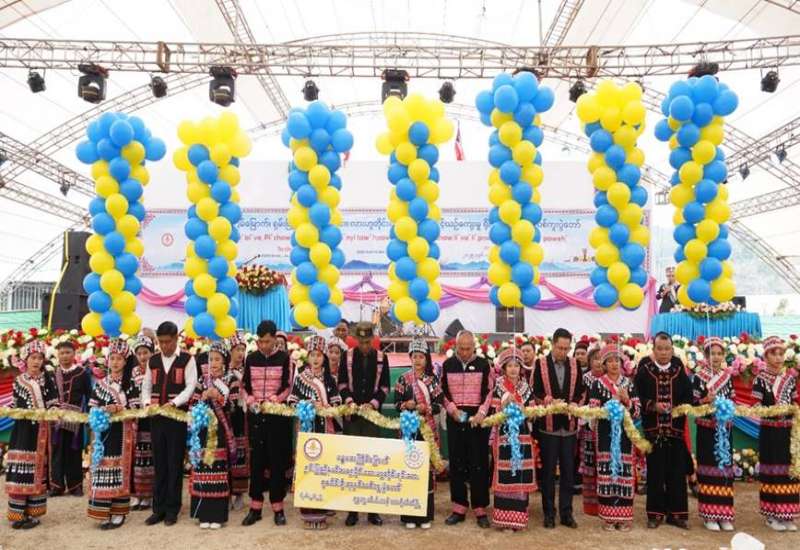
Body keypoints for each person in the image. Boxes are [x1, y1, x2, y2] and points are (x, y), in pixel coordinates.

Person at [141, 321, 198, 526]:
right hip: (157, 418)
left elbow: (190, 386)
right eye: (161, 342)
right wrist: (147, 403)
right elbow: (146, 386)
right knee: (160, 463)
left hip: (176, 418)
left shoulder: (187, 359)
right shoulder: (153, 360)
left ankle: (172, 509)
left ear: (176, 339)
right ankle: (158, 509)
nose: (164, 346)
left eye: (167, 342)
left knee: (174, 463)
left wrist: (174, 403)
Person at [634, 331, 692, 530]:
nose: (664, 352)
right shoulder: (645, 371)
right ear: (654, 349)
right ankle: (655, 515)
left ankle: (676, 515)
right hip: (654, 432)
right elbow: (637, 397)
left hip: (675, 432)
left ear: (672, 350)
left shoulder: (679, 370)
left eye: (667, 349)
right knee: (655, 474)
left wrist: (678, 408)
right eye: (660, 349)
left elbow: (688, 397)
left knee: (677, 474)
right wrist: (652, 406)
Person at [338, 321, 390, 527]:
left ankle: (372, 511)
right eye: (361, 342)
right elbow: (342, 383)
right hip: (352, 418)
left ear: (373, 340)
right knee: (352, 464)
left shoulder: (382, 357)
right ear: (356, 340)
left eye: (368, 342)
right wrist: (350, 401)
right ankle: (352, 511)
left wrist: (373, 404)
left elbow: (385, 387)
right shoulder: (347, 356)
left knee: (372, 463)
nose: (365, 346)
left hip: (372, 418)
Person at [241, 320, 292, 527]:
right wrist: (250, 400)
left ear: (275, 339)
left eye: (267, 341)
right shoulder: (251, 358)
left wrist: (274, 400)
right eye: (260, 341)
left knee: (276, 462)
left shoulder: (284, 358)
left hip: (276, 417)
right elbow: (245, 385)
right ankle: (255, 508)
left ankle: (278, 508)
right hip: (255, 417)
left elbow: (287, 386)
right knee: (257, 462)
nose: (264, 345)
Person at [533, 327, 585, 529]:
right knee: (547, 473)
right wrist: (547, 400)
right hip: (548, 426)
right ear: (553, 344)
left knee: (568, 472)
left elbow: (581, 391)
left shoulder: (575, 364)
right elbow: (535, 391)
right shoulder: (540, 364)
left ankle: (566, 513)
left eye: (566, 348)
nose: (563, 352)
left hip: (569, 426)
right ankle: (549, 513)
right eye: (560, 348)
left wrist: (576, 404)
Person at [288, 335, 342, 529]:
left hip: (325, 428)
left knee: (324, 468)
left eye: (319, 355)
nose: (316, 359)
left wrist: (326, 406)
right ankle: (309, 514)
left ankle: (323, 509)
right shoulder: (301, 378)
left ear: (324, 357)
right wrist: (307, 405)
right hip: (307, 429)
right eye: (312, 355)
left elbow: (337, 401)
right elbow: (292, 401)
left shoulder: (329, 379)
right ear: (308, 357)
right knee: (308, 468)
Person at [441, 330, 493, 529]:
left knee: (479, 463)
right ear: (456, 346)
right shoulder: (447, 365)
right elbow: (441, 391)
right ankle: (459, 507)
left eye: (468, 348)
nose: (464, 352)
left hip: (477, 422)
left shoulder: (484, 364)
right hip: (455, 420)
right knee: (457, 463)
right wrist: (452, 410)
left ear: (474, 346)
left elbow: (490, 391)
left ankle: (480, 508)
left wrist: (482, 413)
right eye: (461, 348)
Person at [87, 339, 138, 530]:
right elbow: (92, 407)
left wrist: (120, 409)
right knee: (102, 469)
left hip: (122, 432)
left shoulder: (131, 383)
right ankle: (102, 511)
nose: (115, 362)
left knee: (119, 469)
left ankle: (118, 511)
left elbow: (137, 408)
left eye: (119, 359)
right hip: (103, 433)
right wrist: (103, 410)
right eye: (112, 358)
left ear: (125, 361)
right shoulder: (101, 384)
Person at [6, 340, 58, 530]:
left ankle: (34, 513)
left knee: (37, 470)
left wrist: (53, 410)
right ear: (26, 360)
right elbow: (14, 403)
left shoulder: (48, 379)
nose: (36, 361)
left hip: (41, 432)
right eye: (33, 358)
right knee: (21, 469)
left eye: (39, 358)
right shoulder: (19, 381)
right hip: (22, 432)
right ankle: (17, 514)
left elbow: (54, 401)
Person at [589, 344, 640, 532]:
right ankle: (609, 517)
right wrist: (612, 404)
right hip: (605, 435)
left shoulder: (629, 384)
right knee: (607, 472)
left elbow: (637, 412)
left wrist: (627, 400)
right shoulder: (597, 384)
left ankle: (624, 516)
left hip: (625, 435)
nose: (614, 364)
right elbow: (593, 411)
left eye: (617, 360)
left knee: (624, 471)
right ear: (604, 364)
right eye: (609, 361)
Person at [394, 337, 442, 529]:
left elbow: (439, 405)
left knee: (425, 470)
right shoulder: (403, 379)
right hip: (408, 429)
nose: (417, 360)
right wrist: (406, 405)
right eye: (414, 356)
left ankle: (425, 516)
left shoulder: (432, 380)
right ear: (410, 358)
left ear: (427, 358)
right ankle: (408, 516)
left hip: (426, 429)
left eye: (421, 357)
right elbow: (396, 404)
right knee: (409, 469)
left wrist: (426, 408)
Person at [753, 336, 799, 532]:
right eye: (774, 354)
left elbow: (795, 402)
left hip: (788, 431)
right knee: (772, 470)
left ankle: (787, 514)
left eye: (781, 353)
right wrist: (772, 411)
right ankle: (771, 515)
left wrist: (793, 411)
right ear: (766, 356)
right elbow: (755, 406)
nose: (778, 357)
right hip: (770, 432)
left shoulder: (790, 379)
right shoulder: (760, 379)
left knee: (788, 471)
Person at [489, 348, 537, 531]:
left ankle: (519, 519)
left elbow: (533, 413)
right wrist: (503, 404)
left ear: (521, 368)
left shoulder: (526, 388)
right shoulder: (498, 387)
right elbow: (493, 413)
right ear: (504, 368)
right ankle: (504, 519)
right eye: (510, 366)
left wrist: (524, 410)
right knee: (505, 474)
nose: (513, 369)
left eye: (516, 366)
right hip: (504, 437)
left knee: (520, 475)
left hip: (523, 437)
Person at [692, 336, 736, 532]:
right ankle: (709, 515)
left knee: (725, 470)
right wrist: (705, 400)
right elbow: (692, 404)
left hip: (725, 430)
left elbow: (733, 401)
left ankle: (724, 514)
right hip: (707, 430)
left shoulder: (727, 377)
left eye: (719, 354)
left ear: (723, 356)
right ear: (705, 356)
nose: (716, 357)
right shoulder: (699, 377)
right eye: (712, 354)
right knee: (709, 470)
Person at [190, 342, 234, 530]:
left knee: (217, 470)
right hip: (203, 430)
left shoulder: (230, 380)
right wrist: (203, 397)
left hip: (221, 431)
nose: (214, 363)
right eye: (211, 359)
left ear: (224, 362)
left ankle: (217, 515)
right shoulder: (202, 380)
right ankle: (203, 514)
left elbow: (233, 406)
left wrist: (218, 396)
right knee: (203, 470)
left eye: (217, 359)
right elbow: (192, 403)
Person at [49, 340, 91, 497]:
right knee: (57, 451)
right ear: (57, 355)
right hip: (57, 419)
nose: (65, 356)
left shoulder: (82, 373)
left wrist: (90, 416)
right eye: (62, 353)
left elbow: (89, 395)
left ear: (74, 354)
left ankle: (75, 486)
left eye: (68, 352)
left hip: (75, 419)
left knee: (74, 451)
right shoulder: (52, 374)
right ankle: (57, 485)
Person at [130, 335, 155, 511]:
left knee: (151, 457)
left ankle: (149, 495)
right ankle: (137, 494)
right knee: (137, 457)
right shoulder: (133, 372)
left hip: (152, 418)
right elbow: (130, 392)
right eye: (139, 353)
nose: (142, 356)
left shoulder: (156, 369)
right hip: (138, 419)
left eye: (145, 352)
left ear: (151, 353)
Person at [226, 330, 249, 510]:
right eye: (237, 349)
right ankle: (225, 491)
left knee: (240, 452)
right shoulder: (222, 369)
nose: (240, 353)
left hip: (241, 416)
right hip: (225, 415)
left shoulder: (246, 371)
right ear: (230, 350)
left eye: (243, 349)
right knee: (225, 452)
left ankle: (239, 493)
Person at [580, 346, 604, 516]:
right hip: (589, 427)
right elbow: (580, 401)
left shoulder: (611, 379)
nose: (598, 362)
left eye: (601, 359)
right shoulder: (585, 379)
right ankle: (591, 505)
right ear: (589, 361)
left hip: (607, 427)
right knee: (590, 465)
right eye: (595, 358)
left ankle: (606, 503)